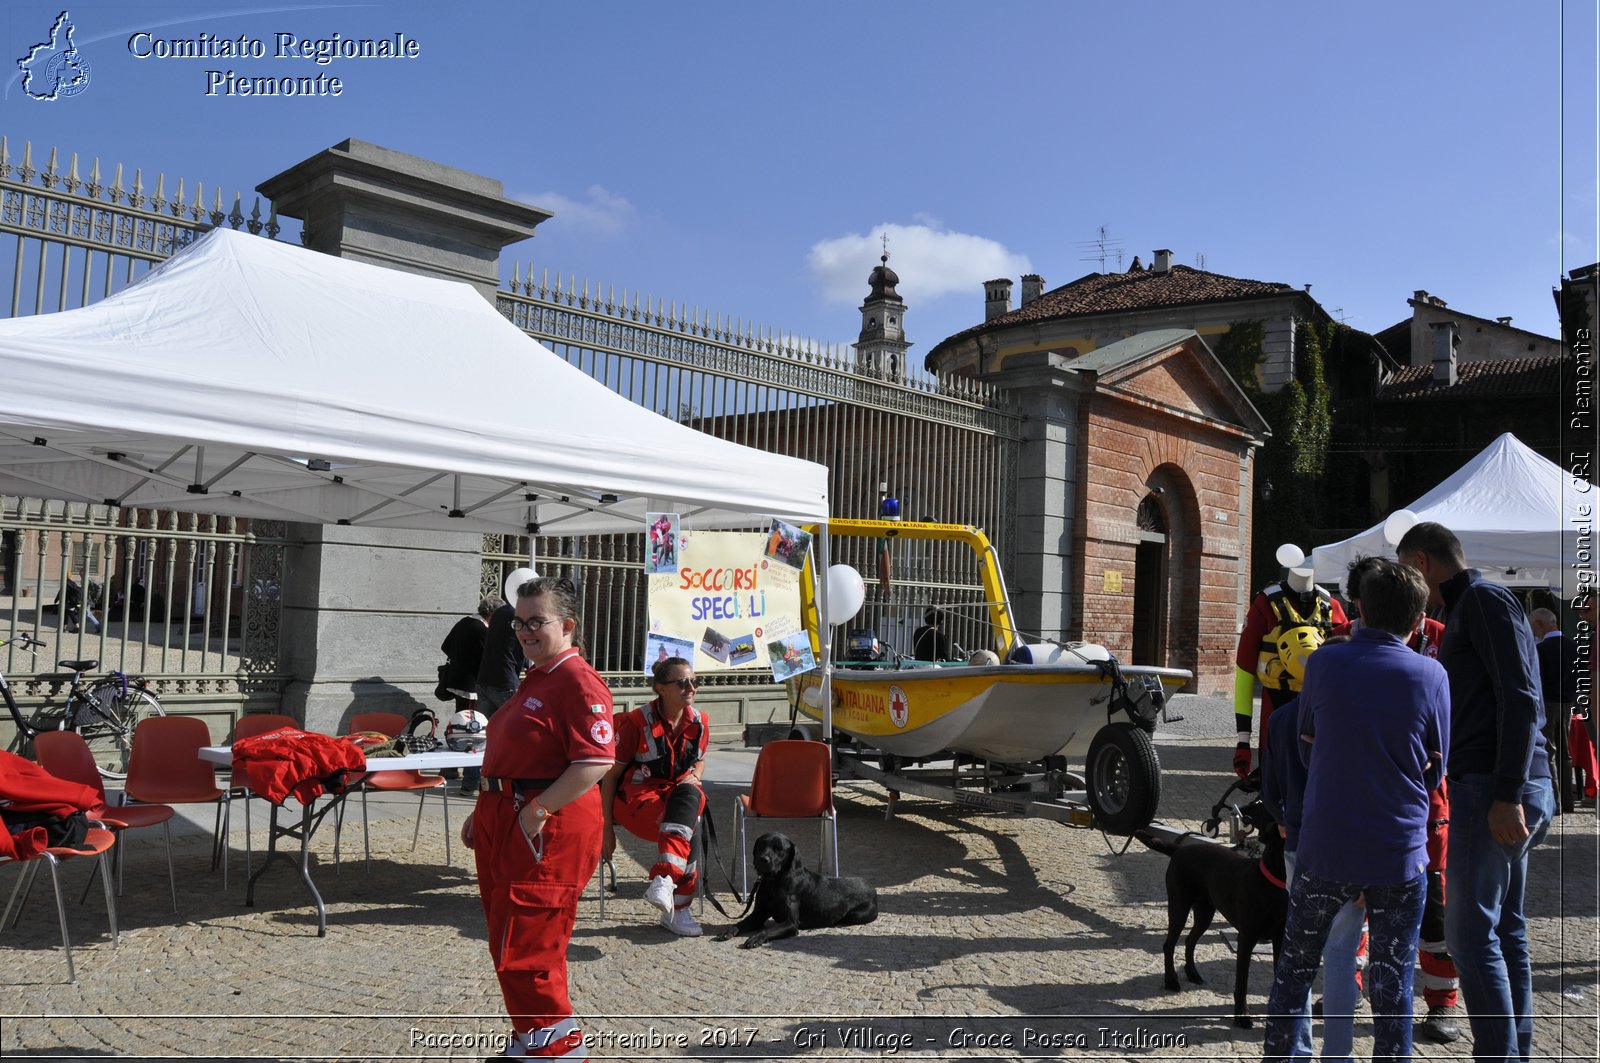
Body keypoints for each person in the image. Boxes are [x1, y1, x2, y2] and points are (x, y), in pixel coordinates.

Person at [1263, 559, 1449, 1063]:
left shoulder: (1324, 663)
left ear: (1359, 610)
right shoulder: (1432, 673)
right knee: (1392, 983)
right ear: (1419, 620)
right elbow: (1436, 769)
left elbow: (1305, 745)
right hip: (1398, 849)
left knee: (1295, 970)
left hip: (1327, 841)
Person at [1397, 521, 1553, 1063]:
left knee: (1469, 939)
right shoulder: (1477, 605)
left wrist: (1508, 792)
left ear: (1421, 563)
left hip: (1494, 787)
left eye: (1406, 573)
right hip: (1498, 784)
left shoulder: (1482, 602)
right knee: (1504, 929)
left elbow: (1521, 698)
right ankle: (1513, 1051)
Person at [460, 576, 614, 1061]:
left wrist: (535, 813)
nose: (524, 631)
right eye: (518, 622)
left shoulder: (576, 680)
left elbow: (596, 760)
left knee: (529, 950)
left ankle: (559, 1051)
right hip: (507, 818)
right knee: (509, 941)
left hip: (542, 831)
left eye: (536, 622)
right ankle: (534, 1039)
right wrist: (482, 807)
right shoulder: (539, 676)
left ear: (567, 625)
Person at [1341, 556, 1462, 1044]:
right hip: (1354, 806)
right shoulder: (1336, 646)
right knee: (1350, 908)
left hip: (1420, 811)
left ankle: (1441, 1002)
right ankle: (1346, 990)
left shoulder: (1438, 637)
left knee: (1432, 909)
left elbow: (1447, 734)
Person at [1258, 654, 1366, 1063]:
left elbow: (1269, 788)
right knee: (1341, 954)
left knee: (1298, 951)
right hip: (1346, 847)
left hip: (1298, 841)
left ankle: (1298, 1051)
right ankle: (1338, 1055)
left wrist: (1283, 816)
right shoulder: (1356, 715)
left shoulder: (1282, 719)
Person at [599, 656, 708, 937]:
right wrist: (605, 828)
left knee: (690, 800)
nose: (691, 688)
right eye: (683, 682)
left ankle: (667, 885)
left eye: (695, 681)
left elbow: (699, 761)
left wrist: (696, 772)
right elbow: (610, 777)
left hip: (675, 802)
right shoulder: (635, 723)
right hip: (637, 802)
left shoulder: (700, 721)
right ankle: (677, 904)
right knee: (688, 819)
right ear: (660, 688)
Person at [1232, 561, 1347, 778]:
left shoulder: (1332, 608)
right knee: (1276, 780)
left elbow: (1348, 668)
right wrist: (1243, 740)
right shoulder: (1265, 605)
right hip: (1276, 705)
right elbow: (1244, 670)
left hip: (1319, 709)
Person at [469, 595, 531, 797]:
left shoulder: (498, 615)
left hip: (485, 679)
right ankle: (514, 779)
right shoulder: (517, 615)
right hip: (505, 682)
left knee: (479, 736)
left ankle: (469, 784)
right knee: (517, 733)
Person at [439, 597, 495, 782]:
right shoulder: (479, 629)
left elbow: (445, 646)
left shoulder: (464, 622)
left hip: (458, 679)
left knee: (459, 722)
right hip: (471, 683)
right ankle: (457, 768)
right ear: (490, 613)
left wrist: (460, 659)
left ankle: (450, 767)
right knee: (470, 727)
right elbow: (486, 657)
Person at [1529, 606, 1578, 813]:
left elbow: (1537, 680)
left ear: (1540, 624)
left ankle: (1555, 802)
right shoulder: (1573, 646)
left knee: (1548, 752)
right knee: (1565, 754)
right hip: (1567, 703)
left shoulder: (1540, 650)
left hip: (1548, 703)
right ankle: (1568, 801)